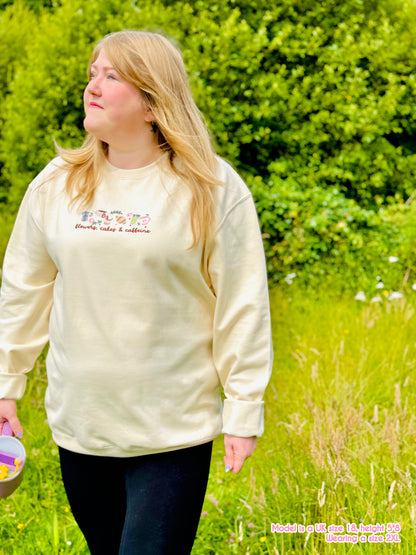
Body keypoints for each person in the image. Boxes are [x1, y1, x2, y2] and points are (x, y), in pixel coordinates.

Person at [0, 30, 272, 554]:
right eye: (91, 74)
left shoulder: (210, 187)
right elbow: (23, 290)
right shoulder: (57, 184)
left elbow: (242, 305)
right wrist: (6, 380)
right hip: (82, 425)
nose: (92, 87)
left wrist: (244, 407)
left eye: (112, 75)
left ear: (152, 104)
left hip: (172, 429)